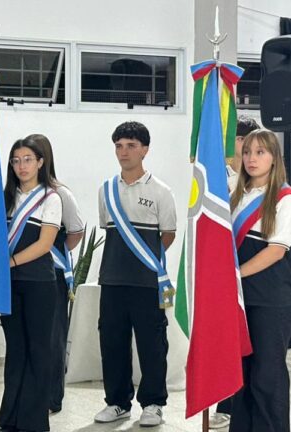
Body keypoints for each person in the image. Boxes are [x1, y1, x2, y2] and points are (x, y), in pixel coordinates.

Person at [94, 121, 177, 427]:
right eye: (118, 145)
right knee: (112, 342)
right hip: (112, 280)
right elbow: (108, 230)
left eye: (130, 145)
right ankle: (117, 402)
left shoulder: (161, 191)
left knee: (152, 344)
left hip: (147, 282)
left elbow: (168, 234)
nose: (123, 152)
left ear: (145, 149)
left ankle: (153, 403)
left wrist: (147, 263)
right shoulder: (106, 191)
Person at [229, 129, 291, 432]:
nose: (251, 159)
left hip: (270, 300)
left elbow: (275, 251)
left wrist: (235, 275)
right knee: (240, 377)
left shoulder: (285, 199)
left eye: (260, 152)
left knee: (267, 376)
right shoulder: (235, 197)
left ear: (274, 158)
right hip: (239, 299)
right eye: (247, 152)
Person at [0, 137, 62, 432]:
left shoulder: (51, 197)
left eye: (27, 159)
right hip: (9, 285)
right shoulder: (4, 197)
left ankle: (34, 423)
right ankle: (9, 420)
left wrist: (8, 263)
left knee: (38, 351)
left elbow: (45, 244)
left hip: (38, 284)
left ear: (40, 162)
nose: (21, 166)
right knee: (16, 352)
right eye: (15, 160)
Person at [25, 134, 85, 414]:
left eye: (32, 157)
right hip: (25, 273)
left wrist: (53, 252)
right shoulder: (19, 192)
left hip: (53, 273)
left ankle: (51, 398)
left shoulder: (60, 193)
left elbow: (75, 231)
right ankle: (28, 392)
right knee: (27, 338)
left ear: (43, 160)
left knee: (52, 338)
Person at [212, 115, 260, 430]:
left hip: (252, 272)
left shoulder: (257, 184)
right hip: (223, 272)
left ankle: (239, 404)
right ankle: (224, 400)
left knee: (250, 342)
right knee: (225, 340)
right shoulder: (219, 178)